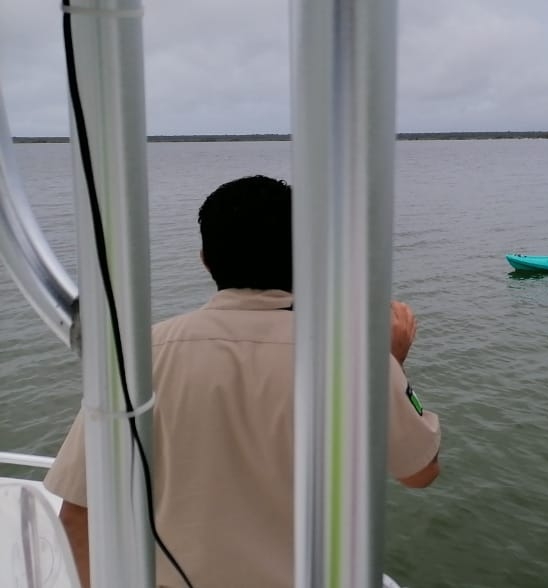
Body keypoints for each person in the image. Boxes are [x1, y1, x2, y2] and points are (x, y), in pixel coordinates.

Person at [43, 175, 442, 587]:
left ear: (205, 259)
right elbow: (420, 472)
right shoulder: (350, 360)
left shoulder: (139, 356)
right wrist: (394, 364)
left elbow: (76, 520)